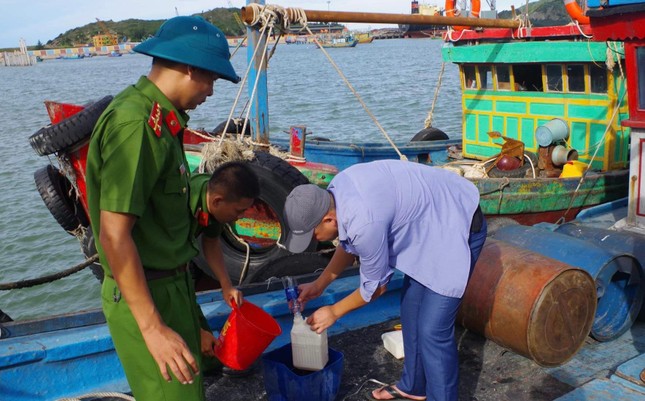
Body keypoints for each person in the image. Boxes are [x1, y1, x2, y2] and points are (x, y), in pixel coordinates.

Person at [85, 16, 240, 401]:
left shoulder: (161, 121)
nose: (211, 92)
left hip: (172, 286)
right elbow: (113, 234)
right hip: (147, 295)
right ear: (190, 68)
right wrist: (152, 328)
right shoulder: (136, 124)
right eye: (212, 80)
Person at [283, 160, 487, 401]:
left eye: (313, 234)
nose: (314, 240)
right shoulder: (335, 193)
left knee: (433, 330)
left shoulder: (364, 220)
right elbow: (349, 245)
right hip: (428, 226)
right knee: (412, 310)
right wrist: (319, 285)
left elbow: (376, 287)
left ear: (329, 220)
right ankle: (414, 386)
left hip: (458, 222)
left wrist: (334, 312)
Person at [188, 161, 259, 365]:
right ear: (218, 201)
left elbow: (211, 242)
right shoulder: (180, 206)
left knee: (210, 354)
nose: (240, 217)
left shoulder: (213, 203)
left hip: (178, 274)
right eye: (238, 211)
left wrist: (226, 286)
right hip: (154, 276)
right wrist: (194, 332)